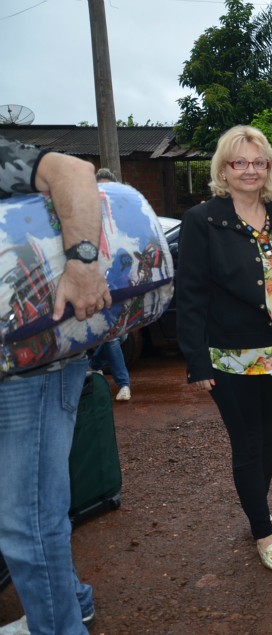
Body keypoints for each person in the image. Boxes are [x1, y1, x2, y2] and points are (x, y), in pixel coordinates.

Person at [176, 125, 272, 572]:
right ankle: (262, 532)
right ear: (223, 169)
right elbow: (189, 294)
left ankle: (257, 508)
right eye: (239, 162)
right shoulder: (202, 220)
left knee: (269, 441)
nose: (250, 170)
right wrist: (195, 359)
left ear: (268, 167)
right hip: (229, 357)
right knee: (247, 444)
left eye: (258, 162)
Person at [0, 137, 111, 634]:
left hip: (30, 367)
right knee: (25, 512)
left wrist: (84, 262)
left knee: (28, 524)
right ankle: (69, 602)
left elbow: (71, 170)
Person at [88, 168, 132, 401]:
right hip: (96, 284)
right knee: (112, 335)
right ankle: (124, 384)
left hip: (120, 284)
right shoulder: (86, 219)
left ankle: (93, 365)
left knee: (120, 335)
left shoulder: (121, 217)